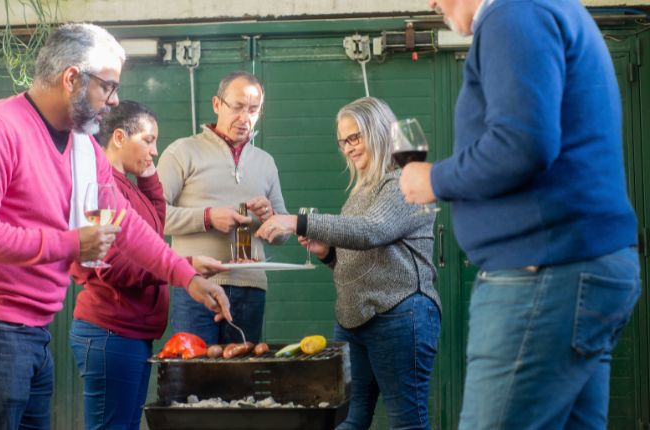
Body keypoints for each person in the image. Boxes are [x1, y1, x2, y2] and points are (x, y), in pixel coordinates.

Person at [0, 23, 230, 430]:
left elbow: (126, 225)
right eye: (108, 87)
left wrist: (186, 276)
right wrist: (70, 243)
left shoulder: (83, 145)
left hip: (33, 327)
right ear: (72, 78)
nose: (115, 99)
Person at [399, 1, 641, 429]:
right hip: (582, 268)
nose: (431, 3)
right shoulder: (552, 10)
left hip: (543, 274)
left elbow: (521, 144)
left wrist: (435, 179)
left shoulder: (514, 13)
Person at [256, 97, 441, 430]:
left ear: (379, 132)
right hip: (356, 320)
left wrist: (299, 222)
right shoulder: (361, 191)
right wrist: (328, 253)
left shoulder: (401, 181)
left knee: (406, 424)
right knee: (348, 419)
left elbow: (373, 230)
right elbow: (362, 257)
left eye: (355, 137)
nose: (348, 148)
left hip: (401, 314)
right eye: (343, 141)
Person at [68, 100, 228, 429]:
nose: (155, 150)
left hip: (130, 333)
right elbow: (115, 266)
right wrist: (187, 266)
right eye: (149, 139)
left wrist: (149, 175)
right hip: (110, 332)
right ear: (119, 137)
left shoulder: (124, 184)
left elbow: (155, 226)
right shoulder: (102, 189)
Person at [157, 71, 288, 345]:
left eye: (253, 109)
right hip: (194, 286)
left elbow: (283, 235)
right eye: (238, 107)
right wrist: (207, 218)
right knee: (193, 379)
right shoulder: (181, 152)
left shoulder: (266, 162)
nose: (245, 117)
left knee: (241, 382)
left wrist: (270, 218)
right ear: (217, 105)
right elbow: (154, 217)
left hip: (251, 290)